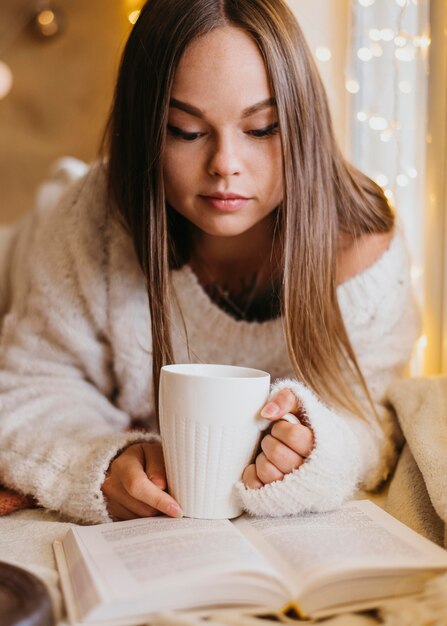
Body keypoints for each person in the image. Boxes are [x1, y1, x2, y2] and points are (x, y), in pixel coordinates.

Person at [0, 0, 420, 524]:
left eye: (263, 127)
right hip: (18, 256)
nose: (225, 165)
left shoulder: (364, 251)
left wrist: (316, 448)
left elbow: (368, 419)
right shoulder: (91, 220)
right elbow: (28, 384)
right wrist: (100, 459)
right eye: (186, 131)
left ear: (304, 121)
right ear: (145, 131)